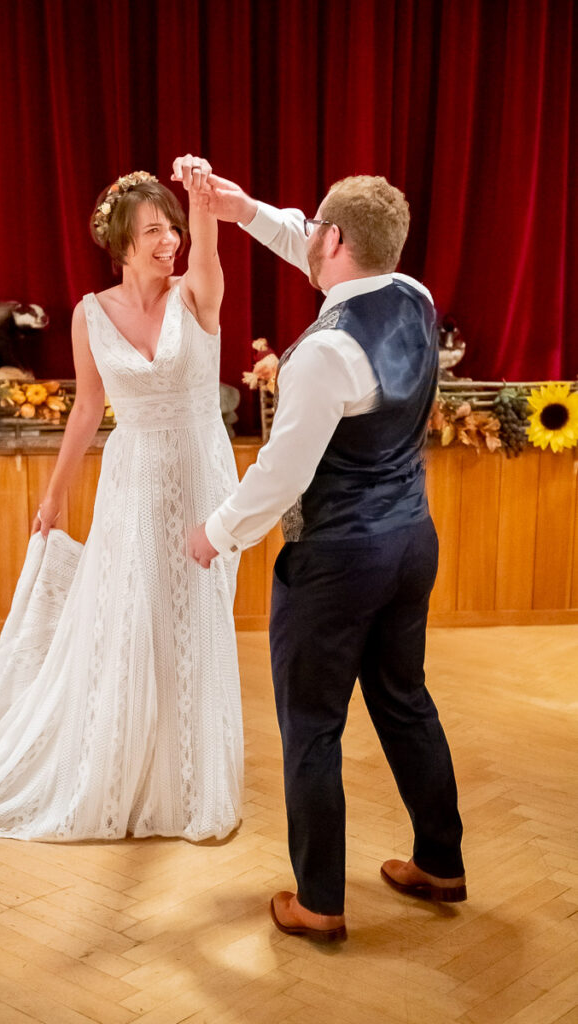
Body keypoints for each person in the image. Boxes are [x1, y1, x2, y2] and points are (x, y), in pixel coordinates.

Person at [0, 155, 243, 843]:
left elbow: (206, 246)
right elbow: (87, 409)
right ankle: (125, 774)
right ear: (120, 243)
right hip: (133, 478)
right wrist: (54, 498)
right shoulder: (91, 315)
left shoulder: (196, 294)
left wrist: (198, 197)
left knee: (194, 621)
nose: (167, 241)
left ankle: (189, 781)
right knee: (134, 621)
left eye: (170, 227)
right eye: (152, 230)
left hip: (203, 477)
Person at [188, 172, 465, 942]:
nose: (303, 232)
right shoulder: (412, 293)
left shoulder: (322, 353)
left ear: (335, 241)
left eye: (314, 226)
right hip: (410, 540)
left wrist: (218, 532)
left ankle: (317, 902)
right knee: (404, 699)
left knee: (312, 725)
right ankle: (440, 862)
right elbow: (314, 248)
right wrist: (243, 212)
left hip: (338, 561)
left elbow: (282, 473)